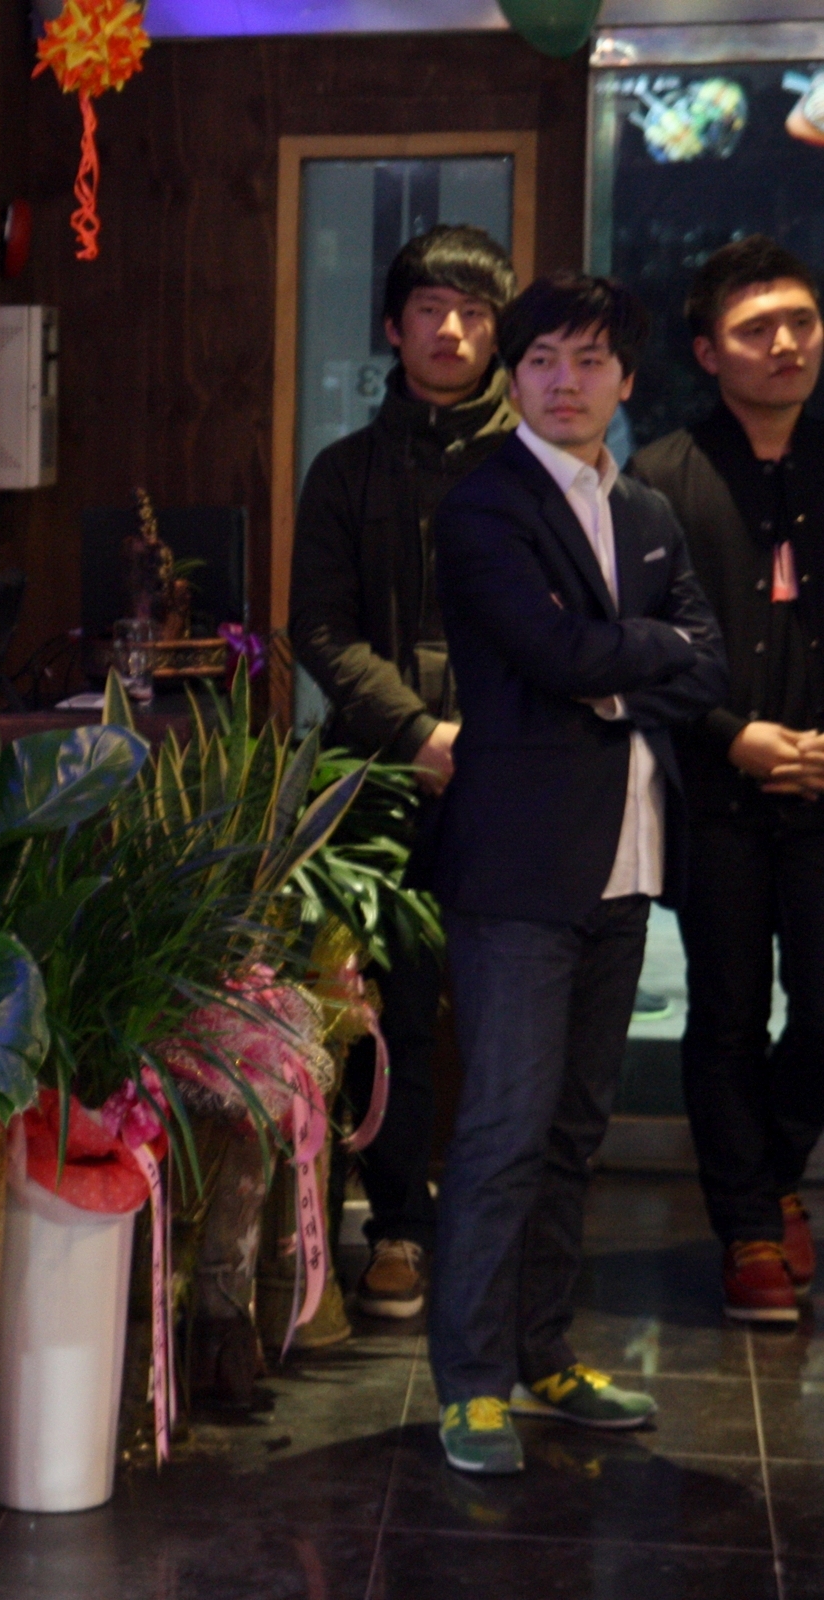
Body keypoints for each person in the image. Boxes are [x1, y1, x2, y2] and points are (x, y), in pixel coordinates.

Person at [425, 273, 727, 1475]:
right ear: (515, 376)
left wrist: (622, 662)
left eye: (590, 360)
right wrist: (642, 653)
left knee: (575, 1129)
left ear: (627, 379)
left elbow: (707, 667)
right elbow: (550, 651)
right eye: (543, 358)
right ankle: (471, 1382)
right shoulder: (483, 501)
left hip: (628, 857)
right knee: (503, 1129)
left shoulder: (645, 507)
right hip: (518, 868)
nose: (565, 381)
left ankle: (543, 1350)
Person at [289, 223, 519, 1324]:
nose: (453, 330)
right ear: (393, 326)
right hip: (381, 781)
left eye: (474, 312)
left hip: (518, 778)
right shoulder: (345, 472)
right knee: (392, 1014)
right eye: (431, 309)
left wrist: (491, 738)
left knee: (517, 1014)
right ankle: (398, 1229)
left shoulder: (539, 468)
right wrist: (422, 735)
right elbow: (319, 630)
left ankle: (505, 1233)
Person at [627, 237, 824, 1324]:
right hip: (717, 791)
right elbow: (639, 648)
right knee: (729, 1012)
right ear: (708, 352)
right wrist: (731, 732)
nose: (786, 343)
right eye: (757, 329)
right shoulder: (660, 478)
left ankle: (773, 1171)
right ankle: (749, 1226)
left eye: (802, 321)